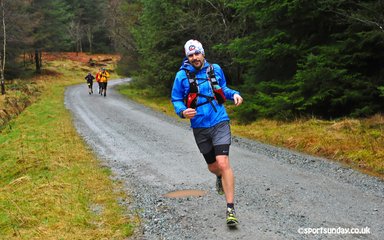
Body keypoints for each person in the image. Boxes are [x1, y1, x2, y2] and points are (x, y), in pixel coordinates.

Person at [171, 39, 243, 226]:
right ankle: (219, 176)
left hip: (219, 120)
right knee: (213, 167)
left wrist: (234, 93)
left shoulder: (215, 69)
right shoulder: (181, 76)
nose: (195, 57)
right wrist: (182, 111)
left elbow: (223, 88)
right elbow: (176, 99)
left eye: (197, 53)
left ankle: (230, 209)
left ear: (203, 53)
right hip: (199, 125)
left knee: (223, 161)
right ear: (187, 57)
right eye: (191, 55)